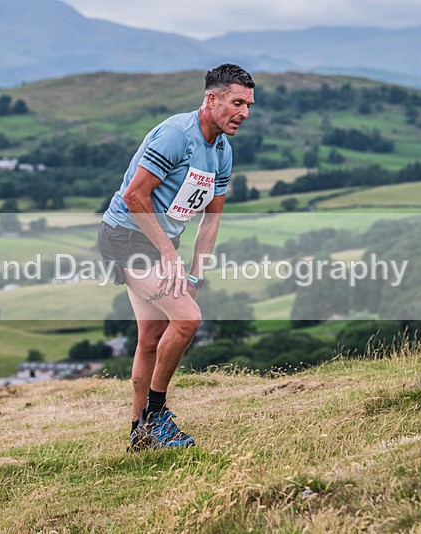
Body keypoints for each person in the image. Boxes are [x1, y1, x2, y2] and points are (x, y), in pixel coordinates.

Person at [98, 63, 255, 450]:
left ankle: (141, 435)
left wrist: (196, 275)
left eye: (249, 105)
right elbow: (136, 196)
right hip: (126, 236)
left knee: (151, 338)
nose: (244, 113)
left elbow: (210, 221)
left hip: (157, 243)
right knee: (187, 319)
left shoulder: (222, 151)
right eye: (237, 103)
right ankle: (156, 416)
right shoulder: (175, 135)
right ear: (211, 98)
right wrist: (169, 254)